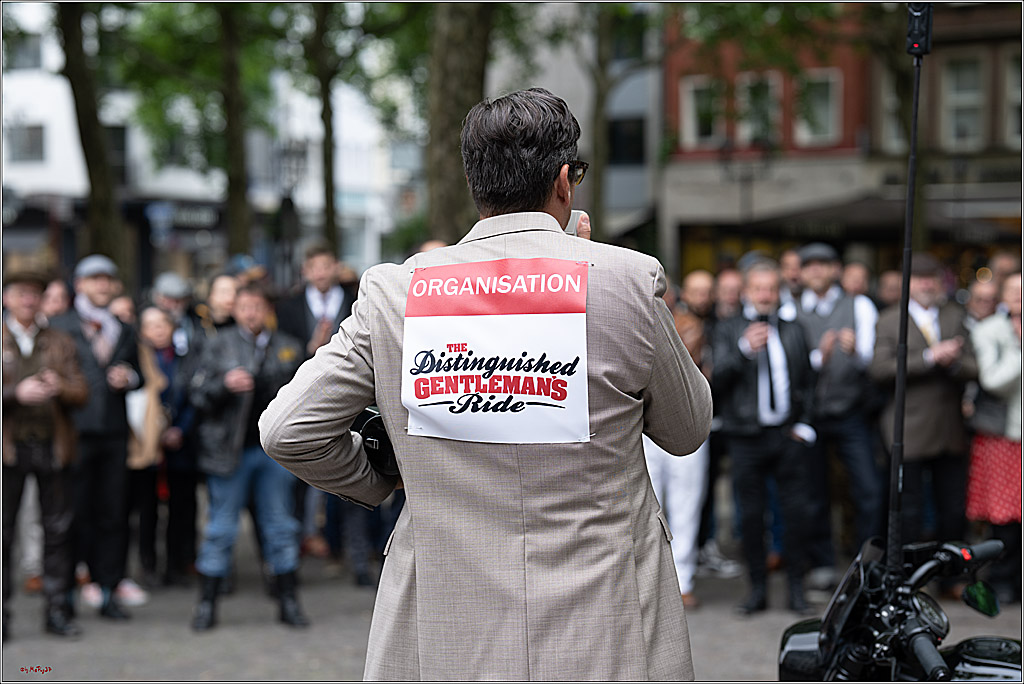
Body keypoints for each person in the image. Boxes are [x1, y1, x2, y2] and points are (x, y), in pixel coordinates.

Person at [260, 87, 712, 680]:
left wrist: (384, 476)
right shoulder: (624, 279)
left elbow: (289, 430)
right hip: (607, 611)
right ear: (563, 181)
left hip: (446, 612)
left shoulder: (398, 293)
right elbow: (687, 429)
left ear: (477, 187)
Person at [188, 282, 307, 631]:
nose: (251, 312)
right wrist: (224, 385)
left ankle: (288, 601)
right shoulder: (217, 345)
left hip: (273, 454)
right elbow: (196, 395)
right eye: (244, 306)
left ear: (267, 309)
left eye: (257, 305)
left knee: (281, 526)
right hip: (229, 453)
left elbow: (300, 396)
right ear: (235, 310)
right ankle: (207, 604)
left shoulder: (286, 347)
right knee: (220, 529)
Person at [712, 260, 816, 616]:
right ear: (746, 292)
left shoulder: (794, 329)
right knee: (752, 518)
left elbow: (808, 382)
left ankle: (797, 592)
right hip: (745, 437)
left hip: (788, 436)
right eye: (758, 288)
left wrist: (804, 425)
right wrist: (743, 350)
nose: (766, 295)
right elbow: (715, 381)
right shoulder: (728, 329)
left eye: (771, 288)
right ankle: (756, 590)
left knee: (796, 515)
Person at [50, 254, 141, 620]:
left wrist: (129, 377)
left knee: (114, 514)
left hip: (114, 433)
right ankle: (67, 594)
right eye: (95, 279)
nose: (103, 285)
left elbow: (141, 375)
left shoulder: (124, 327)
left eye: (108, 279)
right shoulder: (59, 325)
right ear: (80, 285)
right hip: (74, 432)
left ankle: (108, 590)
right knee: (72, 515)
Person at [869, 254, 978, 559]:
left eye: (932, 278)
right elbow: (879, 370)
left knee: (953, 508)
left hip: (949, 428)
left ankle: (949, 575)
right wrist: (930, 358)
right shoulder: (891, 319)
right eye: (920, 278)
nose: (927, 284)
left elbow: (974, 366)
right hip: (909, 429)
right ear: (908, 283)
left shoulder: (954, 315)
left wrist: (954, 362)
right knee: (909, 510)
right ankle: (909, 575)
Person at [3, 268, 89, 639]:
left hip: (53, 446)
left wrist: (61, 388)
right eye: (21, 293)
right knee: (3, 534)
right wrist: (14, 394)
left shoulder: (60, 340)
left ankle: (57, 610)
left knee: (57, 530)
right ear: (7, 298)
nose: (28, 300)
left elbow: (82, 393)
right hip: (8, 449)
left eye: (35, 293)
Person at [794, 242, 883, 591]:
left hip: (850, 411)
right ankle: (821, 563)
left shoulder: (858, 305)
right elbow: (792, 365)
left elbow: (875, 361)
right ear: (801, 272)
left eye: (823, 264)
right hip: (811, 415)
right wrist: (820, 356)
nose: (817, 271)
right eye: (810, 265)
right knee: (814, 491)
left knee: (868, 488)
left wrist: (857, 351)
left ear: (835, 270)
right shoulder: (792, 309)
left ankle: (866, 563)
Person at [643, 284, 709, 610]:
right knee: (648, 506)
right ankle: (651, 580)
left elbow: (678, 366)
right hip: (641, 424)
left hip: (682, 417)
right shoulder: (634, 316)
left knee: (685, 505)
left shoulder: (687, 323)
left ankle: (683, 580)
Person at [966, 273, 1021, 605]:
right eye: (1014, 291)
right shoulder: (989, 331)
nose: (1019, 297)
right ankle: (1001, 581)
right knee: (1004, 519)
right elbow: (992, 380)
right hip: (1004, 437)